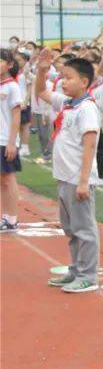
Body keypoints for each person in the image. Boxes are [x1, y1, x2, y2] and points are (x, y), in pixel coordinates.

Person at [33, 50, 103, 293]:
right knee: (71, 228)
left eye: (69, 77)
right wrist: (42, 70)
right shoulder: (67, 103)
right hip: (64, 176)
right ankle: (76, 269)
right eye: (62, 76)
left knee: (84, 228)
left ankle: (88, 275)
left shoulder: (87, 108)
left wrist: (84, 181)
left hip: (77, 178)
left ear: (84, 82)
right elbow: (41, 92)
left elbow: (90, 144)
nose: (63, 81)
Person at [0, 49, 24, 232]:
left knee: (8, 179)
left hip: (5, 140)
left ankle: (12, 219)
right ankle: (6, 216)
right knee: (2, 180)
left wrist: (11, 142)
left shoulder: (12, 87)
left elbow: (16, 117)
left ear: (9, 64)